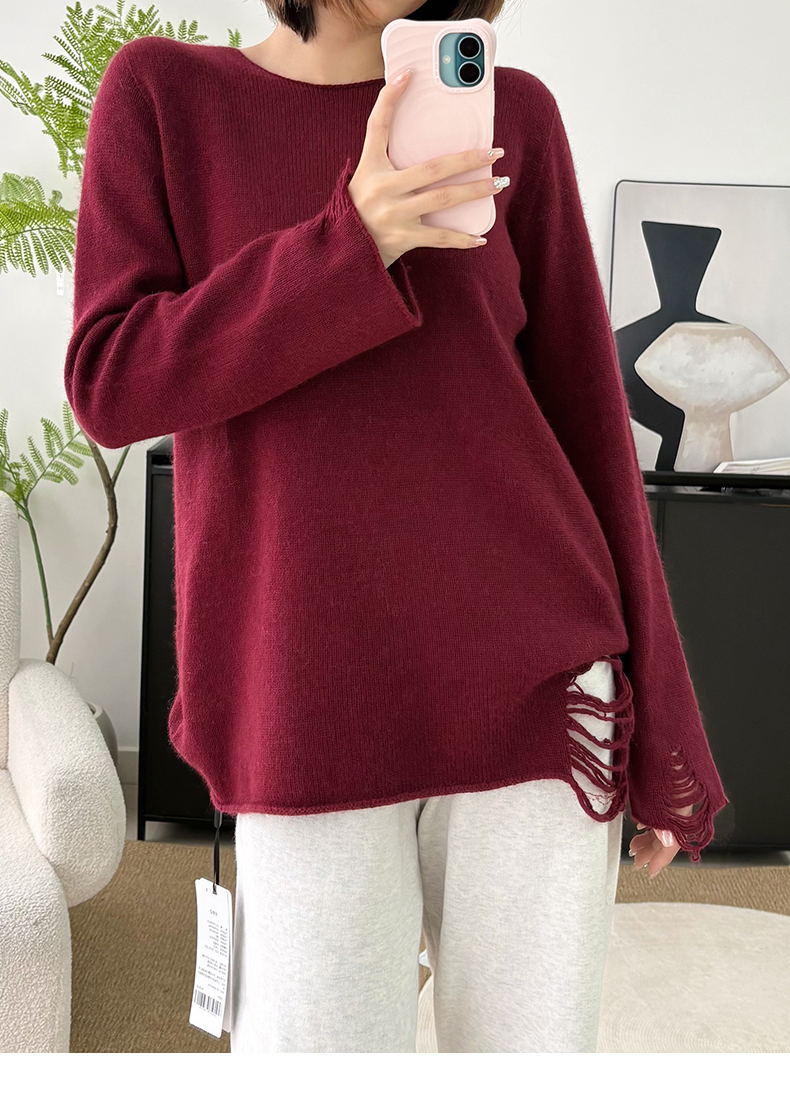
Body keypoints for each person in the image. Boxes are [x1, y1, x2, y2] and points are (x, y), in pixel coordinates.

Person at [65, 0, 730, 1053]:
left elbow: (588, 423)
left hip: (538, 690)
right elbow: (114, 381)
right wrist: (352, 242)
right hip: (303, 694)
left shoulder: (513, 114)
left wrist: (668, 725)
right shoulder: (164, 97)